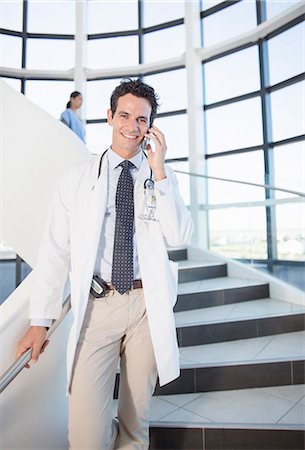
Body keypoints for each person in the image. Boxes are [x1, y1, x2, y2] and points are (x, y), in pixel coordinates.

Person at [16, 78, 193, 450]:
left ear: (151, 127)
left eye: (142, 120)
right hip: (98, 308)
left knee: (136, 423)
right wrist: (39, 322)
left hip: (146, 307)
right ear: (109, 117)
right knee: (86, 437)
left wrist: (160, 172)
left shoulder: (161, 177)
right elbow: (54, 251)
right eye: (125, 115)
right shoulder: (77, 178)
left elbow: (179, 237)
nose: (132, 126)